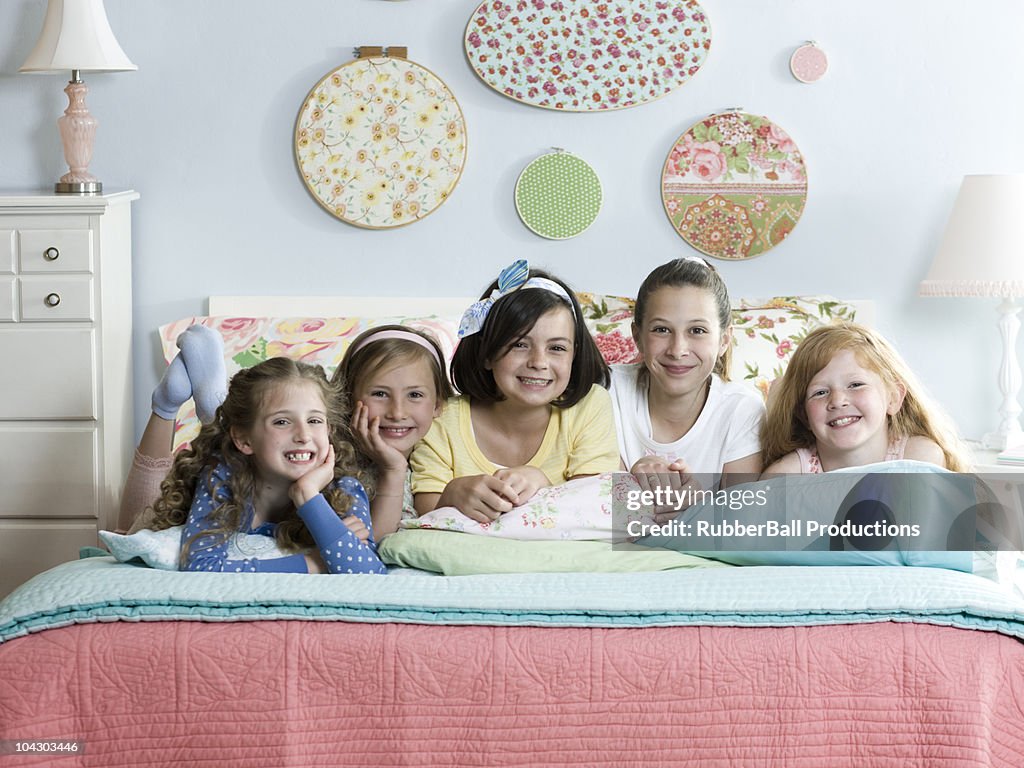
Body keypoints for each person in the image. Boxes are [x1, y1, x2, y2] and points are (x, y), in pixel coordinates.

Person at [411, 259, 619, 523]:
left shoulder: (589, 407)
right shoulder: (442, 419)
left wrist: (543, 483)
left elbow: (595, 503)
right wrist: (452, 495)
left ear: (574, 356)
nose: (538, 362)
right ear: (488, 353)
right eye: (520, 344)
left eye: (556, 348)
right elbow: (424, 511)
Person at [145, 356, 386, 573]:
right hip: (230, 460)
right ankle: (166, 405)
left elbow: (369, 573)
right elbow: (200, 566)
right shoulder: (222, 476)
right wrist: (317, 563)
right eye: (281, 422)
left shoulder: (345, 489)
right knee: (135, 522)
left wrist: (308, 496)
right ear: (244, 439)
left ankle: (209, 397)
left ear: (329, 430)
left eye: (314, 420)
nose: (303, 435)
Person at [609, 257, 764, 519]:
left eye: (697, 330)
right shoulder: (608, 391)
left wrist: (699, 508)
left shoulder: (742, 409)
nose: (678, 350)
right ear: (637, 337)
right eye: (661, 329)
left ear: (724, 340)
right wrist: (634, 478)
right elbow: (600, 505)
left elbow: (743, 520)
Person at [760, 321, 969, 474]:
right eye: (820, 392)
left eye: (855, 385)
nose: (838, 401)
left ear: (893, 398)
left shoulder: (918, 457)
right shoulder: (788, 475)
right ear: (803, 414)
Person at [332, 324, 453, 537]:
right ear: (348, 398)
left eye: (415, 395)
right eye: (380, 394)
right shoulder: (338, 464)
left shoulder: (441, 455)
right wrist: (393, 470)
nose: (397, 413)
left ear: (437, 405)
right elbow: (374, 544)